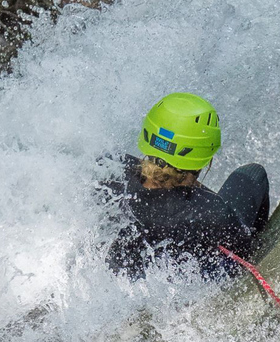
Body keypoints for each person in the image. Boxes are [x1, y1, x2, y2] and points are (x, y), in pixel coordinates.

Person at [103, 92, 270, 279]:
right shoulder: (212, 214)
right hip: (196, 273)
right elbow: (242, 247)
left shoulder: (106, 171)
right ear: (203, 159)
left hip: (124, 274)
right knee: (252, 174)